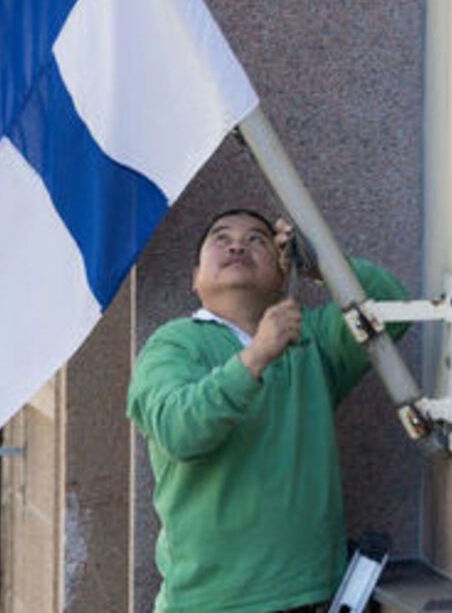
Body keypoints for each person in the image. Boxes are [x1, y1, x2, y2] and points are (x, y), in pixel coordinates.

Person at [126, 208, 410, 613]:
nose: (237, 244)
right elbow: (179, 431)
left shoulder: (313, 338)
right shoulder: (172, 344)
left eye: (257, 240)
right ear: (195, 279)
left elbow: (391, 304)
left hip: (309, 597)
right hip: (208, 604)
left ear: (281, 274)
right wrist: (257, 355)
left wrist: (316, 262)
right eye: (220, 238)